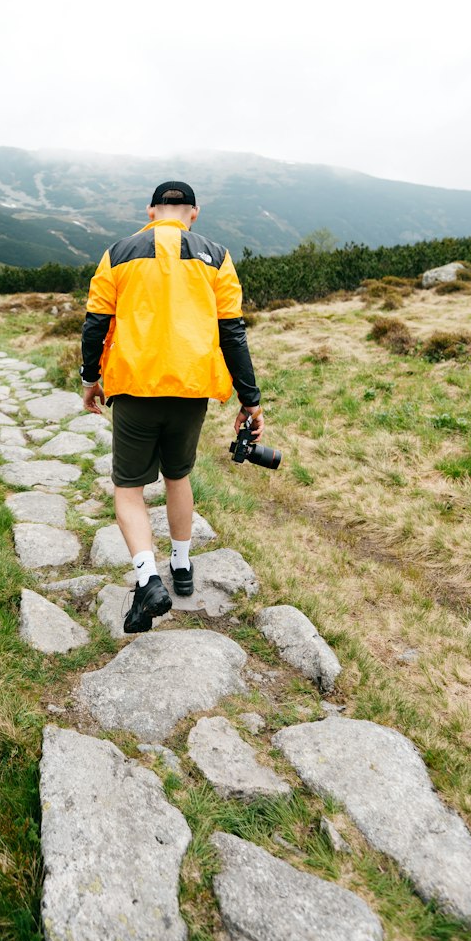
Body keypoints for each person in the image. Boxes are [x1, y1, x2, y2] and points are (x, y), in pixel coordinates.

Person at [80, 180, 264, 633]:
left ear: (151, 211)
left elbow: (96, 321)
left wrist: (90, 379)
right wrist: (250, 400)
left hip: (134, 387)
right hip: (191, 387)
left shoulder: (118, 253)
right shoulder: (217, 257)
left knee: (128, 488)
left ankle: (148, 579)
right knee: (178, 476)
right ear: (193, 213)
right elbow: (232, 331)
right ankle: (181, 567)